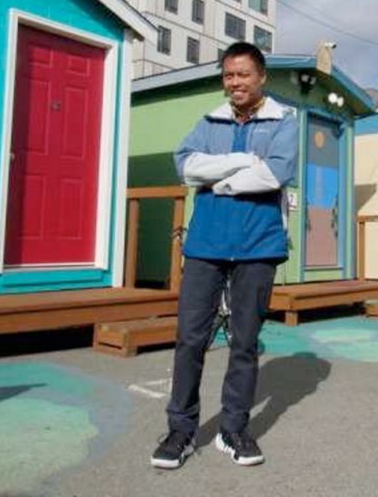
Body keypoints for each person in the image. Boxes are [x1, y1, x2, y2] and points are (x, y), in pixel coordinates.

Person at [151, 42, 299, 469]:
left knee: (244, 342)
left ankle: (233, 430)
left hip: (258, 244)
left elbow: (276, 172)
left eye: (243, 75)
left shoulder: (283, 121)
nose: (235, 83)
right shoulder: (209, 121)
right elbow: (185, 165)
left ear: (261, 77)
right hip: (205, 245)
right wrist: (238, 162)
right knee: (190, 339)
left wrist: (221, 181)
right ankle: (181, 430)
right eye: (229, 75)